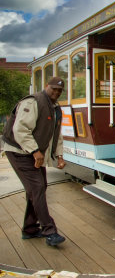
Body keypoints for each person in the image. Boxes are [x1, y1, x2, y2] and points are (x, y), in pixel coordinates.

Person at [2, 76, 66, 246]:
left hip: (32, 153)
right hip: (18, 151)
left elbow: (55, 135)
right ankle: (49, 231)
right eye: (54, 89)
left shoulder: (55, 108)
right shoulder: (33, 102)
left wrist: (59, 155)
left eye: (60, 90)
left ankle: (29, 229)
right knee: (37, 188)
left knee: (37, 188)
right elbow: (20, 130)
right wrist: (35, 151)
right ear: (46, 86)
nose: (57, 92)